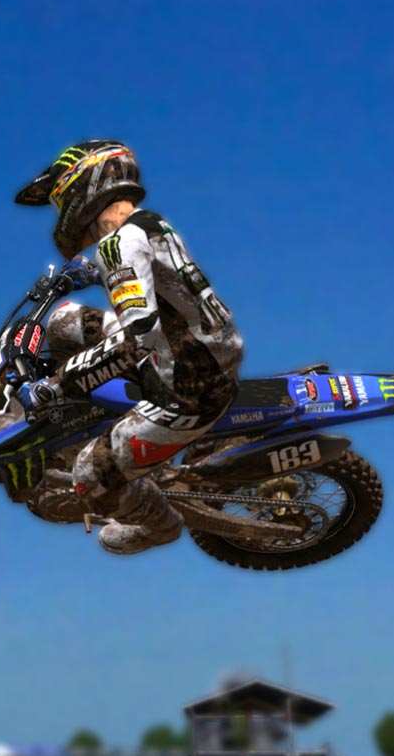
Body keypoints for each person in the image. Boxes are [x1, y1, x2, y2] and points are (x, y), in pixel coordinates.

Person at [13, 139, 242, 554]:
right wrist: (92, 271)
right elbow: (155, 276)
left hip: (187, 389)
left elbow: (138, 340)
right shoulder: (149, 224)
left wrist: (58, 384)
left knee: (89, 477)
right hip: (198, 347)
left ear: (80, 185)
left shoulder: (117, 246)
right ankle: (92, 419)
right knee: (64, 322)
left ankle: (160, 526)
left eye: (59, 199)